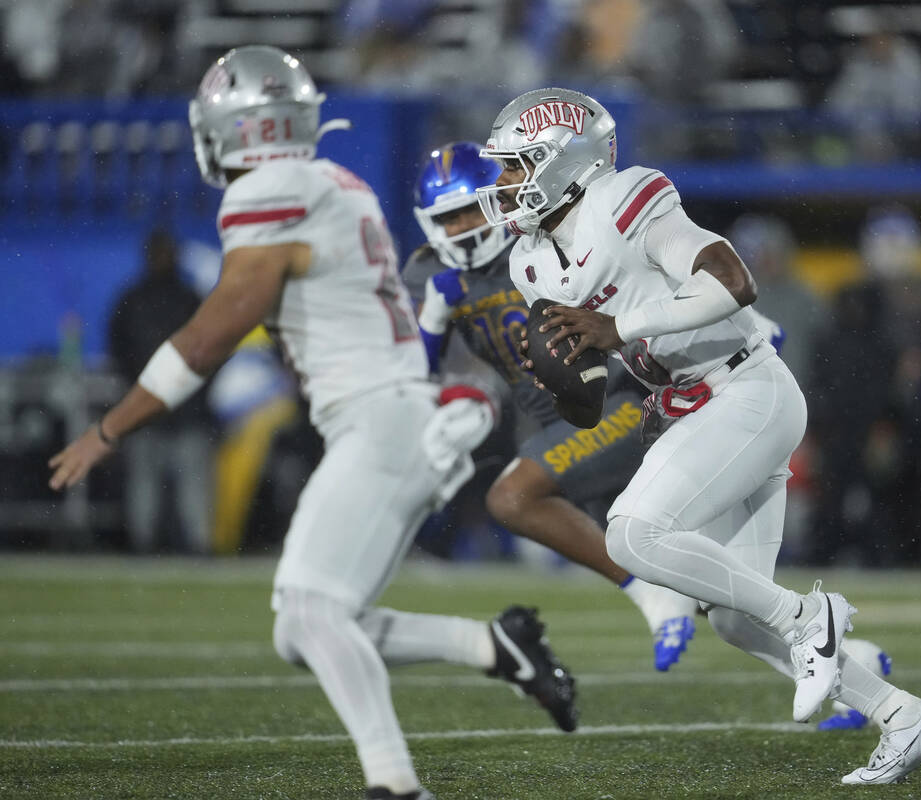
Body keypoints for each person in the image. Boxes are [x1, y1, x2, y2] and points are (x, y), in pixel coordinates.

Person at [48, 46, 578, 800]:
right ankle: (495, 646)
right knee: (305, 629)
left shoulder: (269, 190)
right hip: (392, 419)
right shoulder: (335, 182)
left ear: (237, 130)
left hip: (384, 421)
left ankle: (395, 784)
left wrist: (109, 428)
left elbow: (213, 333)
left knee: (311, 611)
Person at [475, 86, 921, 784]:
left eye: (516, 165)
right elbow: (584, 402)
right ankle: (905, 715)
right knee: (734, 618)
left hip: (750, 390)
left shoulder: (623, 198)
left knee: (631, 535)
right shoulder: (529, 263)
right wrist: (560, 381)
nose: (503, 183)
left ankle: (810, 616)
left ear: (563, 162)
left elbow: (734, 280)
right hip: (697, 404)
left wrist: (619, 331)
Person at [405, 141, 699, 670]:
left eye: (472, 208)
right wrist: (431, 318)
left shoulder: (540, 244)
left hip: (619, 404)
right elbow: (408, 378)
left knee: (514, 498)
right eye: (449, 218)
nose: (464, 228)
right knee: (713, 592)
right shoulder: (430, 275)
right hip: (550, 425)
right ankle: (847, 663)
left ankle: (652, 598)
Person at [107, 228, 215, 554]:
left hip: (181, 409)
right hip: (153, 409)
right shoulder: (135, 299)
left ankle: (197, 548)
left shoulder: (187, 297)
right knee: (145, 487)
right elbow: (119, 351)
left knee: (190, 489)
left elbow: (213, 351)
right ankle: (145, 546)